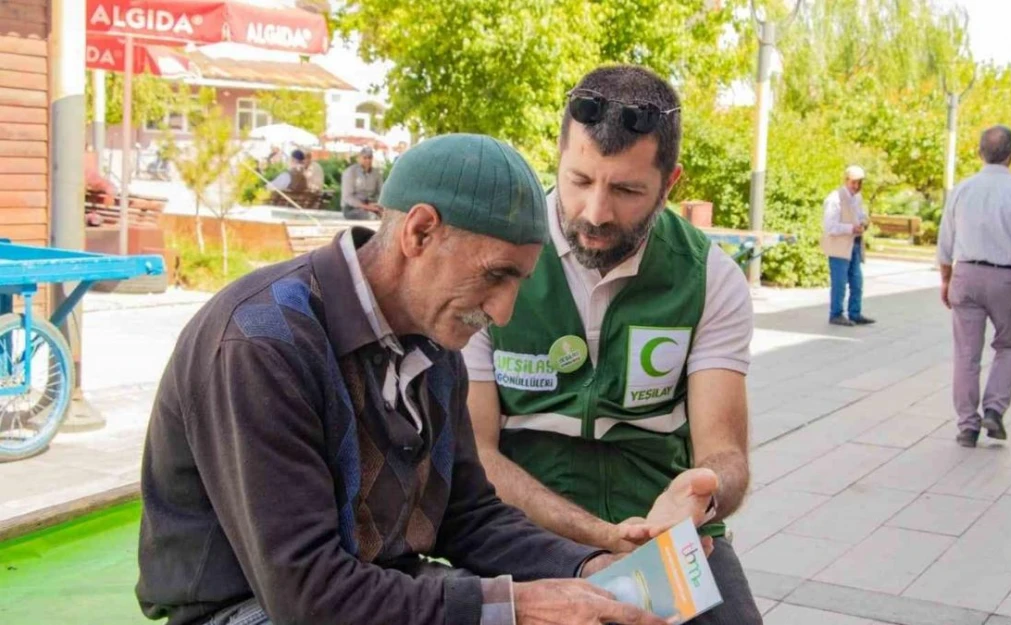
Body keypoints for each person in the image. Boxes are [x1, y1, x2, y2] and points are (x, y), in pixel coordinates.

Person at [137, 133, 667, 625]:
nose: (503, 312)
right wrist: (517, 606)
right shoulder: (261, 344)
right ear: (419, 231)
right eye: (495, 275)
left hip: (373, 588)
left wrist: (588, 568)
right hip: (248, 610)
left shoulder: (437, 347)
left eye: (518, 284)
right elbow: (307, 596)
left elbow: (469, 515)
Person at [462, 65, 763, 625]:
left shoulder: (709, 277)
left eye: (626, 190)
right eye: (578, 181)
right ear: (556, 160)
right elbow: (477, 456)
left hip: (667, 530)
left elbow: (725, 455)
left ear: (670, 184)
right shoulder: (497, 258)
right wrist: (599, 541)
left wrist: (704, 491)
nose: (595, 213)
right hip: (523, 531)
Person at [937, 125, 1011, 448]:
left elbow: (945, 241)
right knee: (1008, 346)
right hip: (1006, 280)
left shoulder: (961, 190)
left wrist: (946, 278)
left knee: (966, 354)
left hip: (965, 275)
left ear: (979, 152)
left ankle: (967, 426)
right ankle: (995, 410)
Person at [821, 165, 875, 326]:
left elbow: (860, 215)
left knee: (857, 281)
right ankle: (836, 314)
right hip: (839, 246)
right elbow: (830, 227)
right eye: (854, 182)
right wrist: (851, 228)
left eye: (859, 183)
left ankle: (855, 312)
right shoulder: (834, 199)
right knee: (839, 283)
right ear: (846, 180)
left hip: (854, 244)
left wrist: (863, 223)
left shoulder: (857, 198)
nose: (857, 186)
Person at [342, 146, 384, 220]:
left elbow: (381, 192)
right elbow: (348, 197)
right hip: (352, 208)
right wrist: (366, 207)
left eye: (369, 158)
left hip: (371, 205)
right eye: (365, 158)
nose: (367, 160)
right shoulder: (350, 172)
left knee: (385, 217)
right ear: (359, 158)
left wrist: (377, 204)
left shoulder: (376, 173)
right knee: (371, 217)